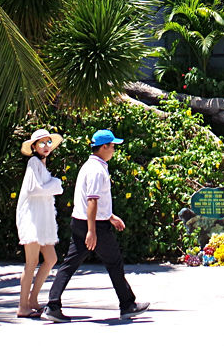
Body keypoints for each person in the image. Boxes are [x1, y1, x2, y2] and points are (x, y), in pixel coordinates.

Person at [43, 129, 150, 321]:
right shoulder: (96, 170)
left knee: (70, 264)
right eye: (112, 146)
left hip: (83, 222)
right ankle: (127, 305)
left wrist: (110, 216)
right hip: (93, 226)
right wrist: (92, 231)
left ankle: (52, 305)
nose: (114, 150)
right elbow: (92, 201)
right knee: (114, 262)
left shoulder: (92, 166)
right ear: (103, 147)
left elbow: (93, 202)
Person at [16, 128, 64, 318]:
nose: (46, 146)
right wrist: (55, 185)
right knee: (32, 262)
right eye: (41, 143)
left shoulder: (41, 165)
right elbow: (34, 189)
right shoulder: (33, 163)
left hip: (43, 222)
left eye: (48, 142)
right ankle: (23, 305)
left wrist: (53, 184)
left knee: (51, 259)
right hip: (32, 221)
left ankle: (33, 300)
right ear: (34, 146)